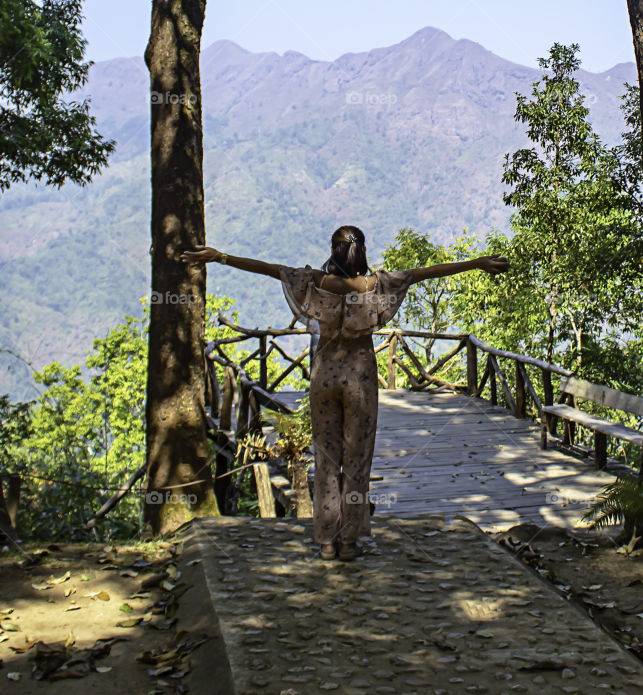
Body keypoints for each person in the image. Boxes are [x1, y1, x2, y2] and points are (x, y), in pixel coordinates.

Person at [180, 227, 509, 560]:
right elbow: (424, 274)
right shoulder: (376, 286)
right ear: (361, 251)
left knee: (326, 460)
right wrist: (477, 262)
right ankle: (349, 541)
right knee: (356, 460)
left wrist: (220, 257)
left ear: (333, 251)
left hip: (324, 378)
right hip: (360, 379)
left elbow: (269, 268)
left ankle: (326, 541)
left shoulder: (313, 283)